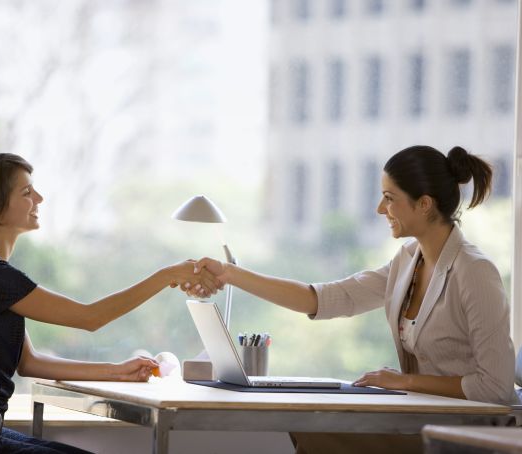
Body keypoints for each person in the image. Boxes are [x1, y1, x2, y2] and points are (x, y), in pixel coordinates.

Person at [194, 145, 517, 454]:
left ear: (424, 204)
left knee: (316, 433)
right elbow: (324, 299)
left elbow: (495, 387)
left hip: (465, 434)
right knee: (307, 424)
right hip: (419, 419)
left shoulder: (475, 272)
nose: (380, 209)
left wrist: (404, 381)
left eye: (389, 198)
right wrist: (230, 274)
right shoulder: (407, 260)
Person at [0, 153, 220, 454]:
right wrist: (166, 275)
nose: (39, 198)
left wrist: (117, 371)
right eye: (27, 192)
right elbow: (90, 317)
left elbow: (29, 363)